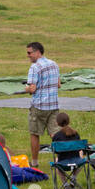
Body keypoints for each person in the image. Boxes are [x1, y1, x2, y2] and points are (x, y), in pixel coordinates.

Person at [24, 41, 60, 170]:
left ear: (37, 52)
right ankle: (60, 159)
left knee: (35, 133)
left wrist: (26, 89)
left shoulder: (35, 67)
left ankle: (34, 163)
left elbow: (32, 89)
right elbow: (59, 84)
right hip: (53, 106)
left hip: (39, 106)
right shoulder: (54, 64)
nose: (28, 56)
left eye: (29, 53)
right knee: (55, 134)